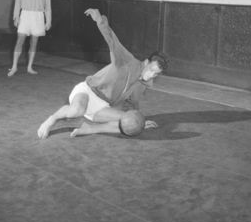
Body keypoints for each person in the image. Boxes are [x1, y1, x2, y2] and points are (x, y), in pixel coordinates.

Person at [34, 8, 165, 138]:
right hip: (88, 91)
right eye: (151, 69)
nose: (151, 75)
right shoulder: (127, 60)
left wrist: (139, 121)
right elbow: (112, 40)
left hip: (102, 107)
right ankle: (52, 119)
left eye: (156, 73)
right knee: (77, 110)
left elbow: (133, 103)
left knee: (130, 123)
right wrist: (99, 20)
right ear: (146, 62)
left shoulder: (143, 85)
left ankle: (90, 128)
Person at [8, 0, 51, 76]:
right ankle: (14, 67)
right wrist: (16, 17)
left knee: (33, 43)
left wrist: (48, 21)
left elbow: (48, 7)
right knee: (19, 41)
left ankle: (29, 67)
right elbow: (18, 1)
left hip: (38, 17)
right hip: (25, 15)